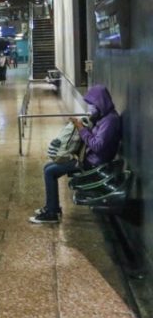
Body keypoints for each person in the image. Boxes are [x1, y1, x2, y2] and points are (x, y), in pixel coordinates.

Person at [29, 85, 121, 224]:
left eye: (92, 104)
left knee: (50, 172)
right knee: (48, 167)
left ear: (101, 102)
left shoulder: (110, 121)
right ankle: (52, 207)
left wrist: (82, 129)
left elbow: (97, 145)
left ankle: (52, 213)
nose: (91, 108)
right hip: (88, 157)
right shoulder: (104, 118)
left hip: (93, 162)